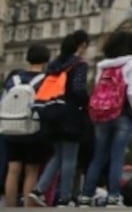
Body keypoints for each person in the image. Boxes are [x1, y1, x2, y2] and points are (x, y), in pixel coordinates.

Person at [80, 30, 132, 207]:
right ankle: (114, 195)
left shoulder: (103, 65)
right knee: (117, 156)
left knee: (98, 156)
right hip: (122, 114)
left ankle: (86, 194)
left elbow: (97, 88)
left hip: (102, 114)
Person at [28, 30, 91, 208]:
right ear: (82, 45)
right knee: (70, 157)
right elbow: (78, 89)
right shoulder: (79, 64)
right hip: (70, 114)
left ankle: (39, 189)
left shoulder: (55, 64)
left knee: (58, 155)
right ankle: (65, 198)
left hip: (51, 113)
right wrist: (87, 103)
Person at [4, 44, 53, 207]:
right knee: (31, 172)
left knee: (13, 171)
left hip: (12, 128)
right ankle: (27, 208)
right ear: (46, 60)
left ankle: (9, 206)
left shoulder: (13, 79)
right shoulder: (46, 80)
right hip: (34, 130)